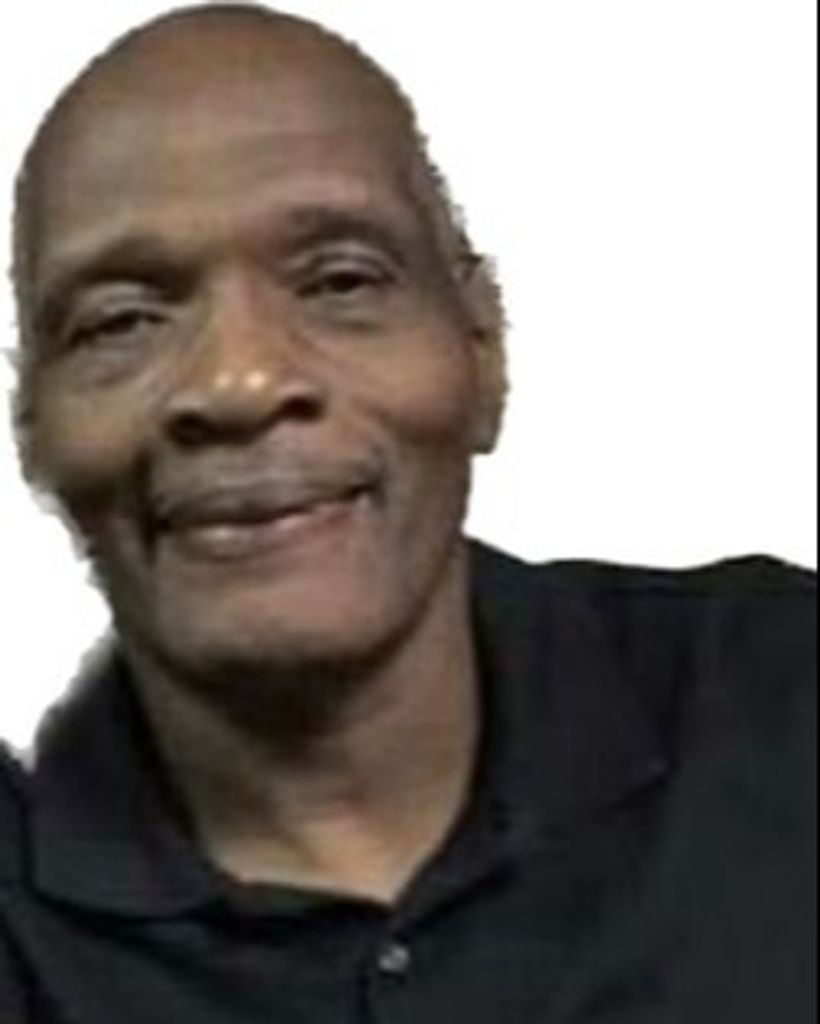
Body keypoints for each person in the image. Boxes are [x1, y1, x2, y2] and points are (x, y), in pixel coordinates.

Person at [0, 4, 815, 1021]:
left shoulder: (782, 708)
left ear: (482, 348)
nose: (240, 380)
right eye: (122, 321)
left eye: (339, 281)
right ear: (33, 429)